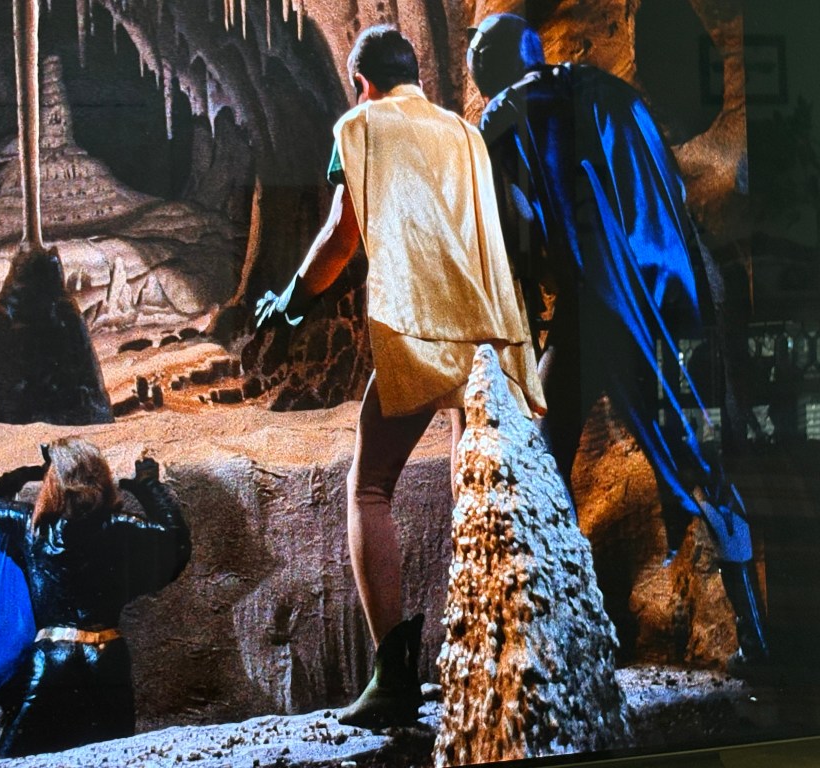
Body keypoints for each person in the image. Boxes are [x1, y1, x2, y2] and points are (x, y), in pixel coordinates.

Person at [255, 25, 545, 729]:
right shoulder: (465, 132)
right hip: (490, 329)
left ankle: (393, 676)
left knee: (371, 486)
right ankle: (493, 651)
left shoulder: (360, 127)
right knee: (477, 486)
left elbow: (340, 236)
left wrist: (291, 302)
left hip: (423, 326)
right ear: (416, 74)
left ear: (362, 84)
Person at [466, 13, 768, 669]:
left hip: (595, 305)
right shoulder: (617, 94)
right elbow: (666, 193)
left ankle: (546, 633)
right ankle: (757, 639)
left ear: (491, 69)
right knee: (701, 455)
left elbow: (513, 225)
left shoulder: (504, 114)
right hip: (670, 299)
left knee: (538, 457)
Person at [0, 438, 191, 757]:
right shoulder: (120, 526)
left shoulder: (31, 524)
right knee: (114, 756)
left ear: (55, 480)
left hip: (53, 659)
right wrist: (148, 486)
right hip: (107, 656)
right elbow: (176, 541)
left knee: (13, 759)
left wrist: (24, 475)